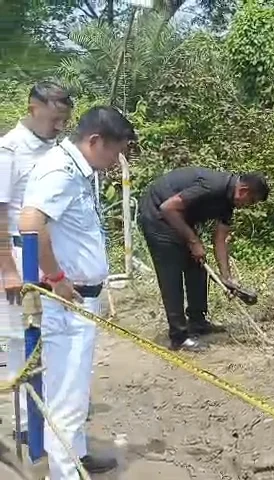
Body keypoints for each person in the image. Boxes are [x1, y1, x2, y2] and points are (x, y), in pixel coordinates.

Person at [19, 105, 137, 479]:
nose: (116, 160)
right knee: (66, 394)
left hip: (84, 298)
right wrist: (55, 276)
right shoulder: (60, 170)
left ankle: (76, 455)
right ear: (95, 141)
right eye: (115, 151)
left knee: (74, 390)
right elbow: (31, 223)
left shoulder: (79, 170)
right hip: (69, 300)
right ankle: (66, 473)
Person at [0, 81, 74, 445]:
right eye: (55, 119)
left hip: (50, 259)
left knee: (54, 339)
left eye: (64, 120)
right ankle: (29, 429)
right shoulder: (9, 150)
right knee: (21, 343)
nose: (60, 126)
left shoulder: (55, 149)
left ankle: (55, 420)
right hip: (18, 260)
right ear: (33, 108)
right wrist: (8, 271)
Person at [138, 167, 269, 352]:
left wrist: (227, 278)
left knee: (198, 265)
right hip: (157, 216)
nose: (248, 205)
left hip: (178, 218)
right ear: (244, 191)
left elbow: (220, 239)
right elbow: (167, 207)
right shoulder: (213, 186)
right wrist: (193, 241)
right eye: (251, 201)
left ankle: (197, 323)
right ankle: (179, 337)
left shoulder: (228, 202)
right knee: (171, 273)